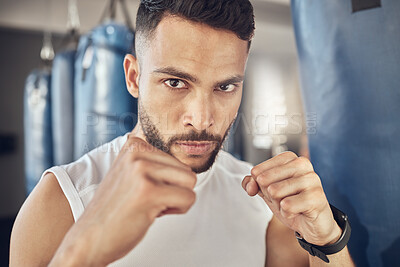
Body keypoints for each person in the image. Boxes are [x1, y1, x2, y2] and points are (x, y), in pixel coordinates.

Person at [10, 0, 355, 266]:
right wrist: (83, 248)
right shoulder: (59, 201)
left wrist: (328, 240)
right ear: (133, 77)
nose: (202, 119)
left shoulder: (264, 206)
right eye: (175, 82)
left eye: (224, 87)